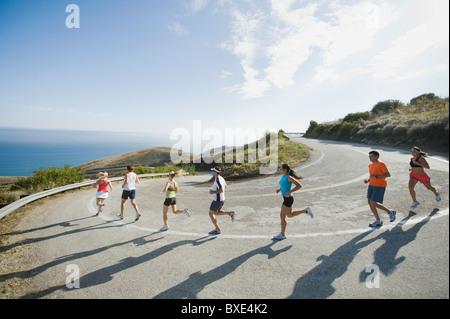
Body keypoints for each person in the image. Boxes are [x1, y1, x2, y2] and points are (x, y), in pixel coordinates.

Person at [273, 163, 313, 240]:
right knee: (290, 215)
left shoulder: (289, 177)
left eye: (281, 168)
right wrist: (280, 189)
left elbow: (299, 185)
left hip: (288, 199)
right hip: (287, 198)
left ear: (285, 170)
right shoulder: (284, 176)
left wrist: (290, 191)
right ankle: (306, 211)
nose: (280, 170)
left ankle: (282, 234)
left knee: (282, 216)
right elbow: (284, 185)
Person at [364, 151, 396, 227]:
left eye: (371, 156)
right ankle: (378, 220)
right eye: (369, 156)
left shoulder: (381, 164)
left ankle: (390, 212)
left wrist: (376, 177)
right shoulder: (370, 165)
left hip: (380, 185)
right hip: (371, 185)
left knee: (373, 202)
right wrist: (368, 180)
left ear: (376, 156)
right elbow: (372, 175)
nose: (370, 158)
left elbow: (388, 175)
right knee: (369, 202)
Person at [208, 166, 234, 235]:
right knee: (215, 213)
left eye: (213, 171)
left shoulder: (217, 180)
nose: (212, 172)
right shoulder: (221, 178)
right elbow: (225, 186)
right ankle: (230, 213)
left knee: (211, 213)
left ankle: (217, 229)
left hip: (218, 200)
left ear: (216, 172)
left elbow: (222, 190)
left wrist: (213, 192)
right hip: (220, 199)